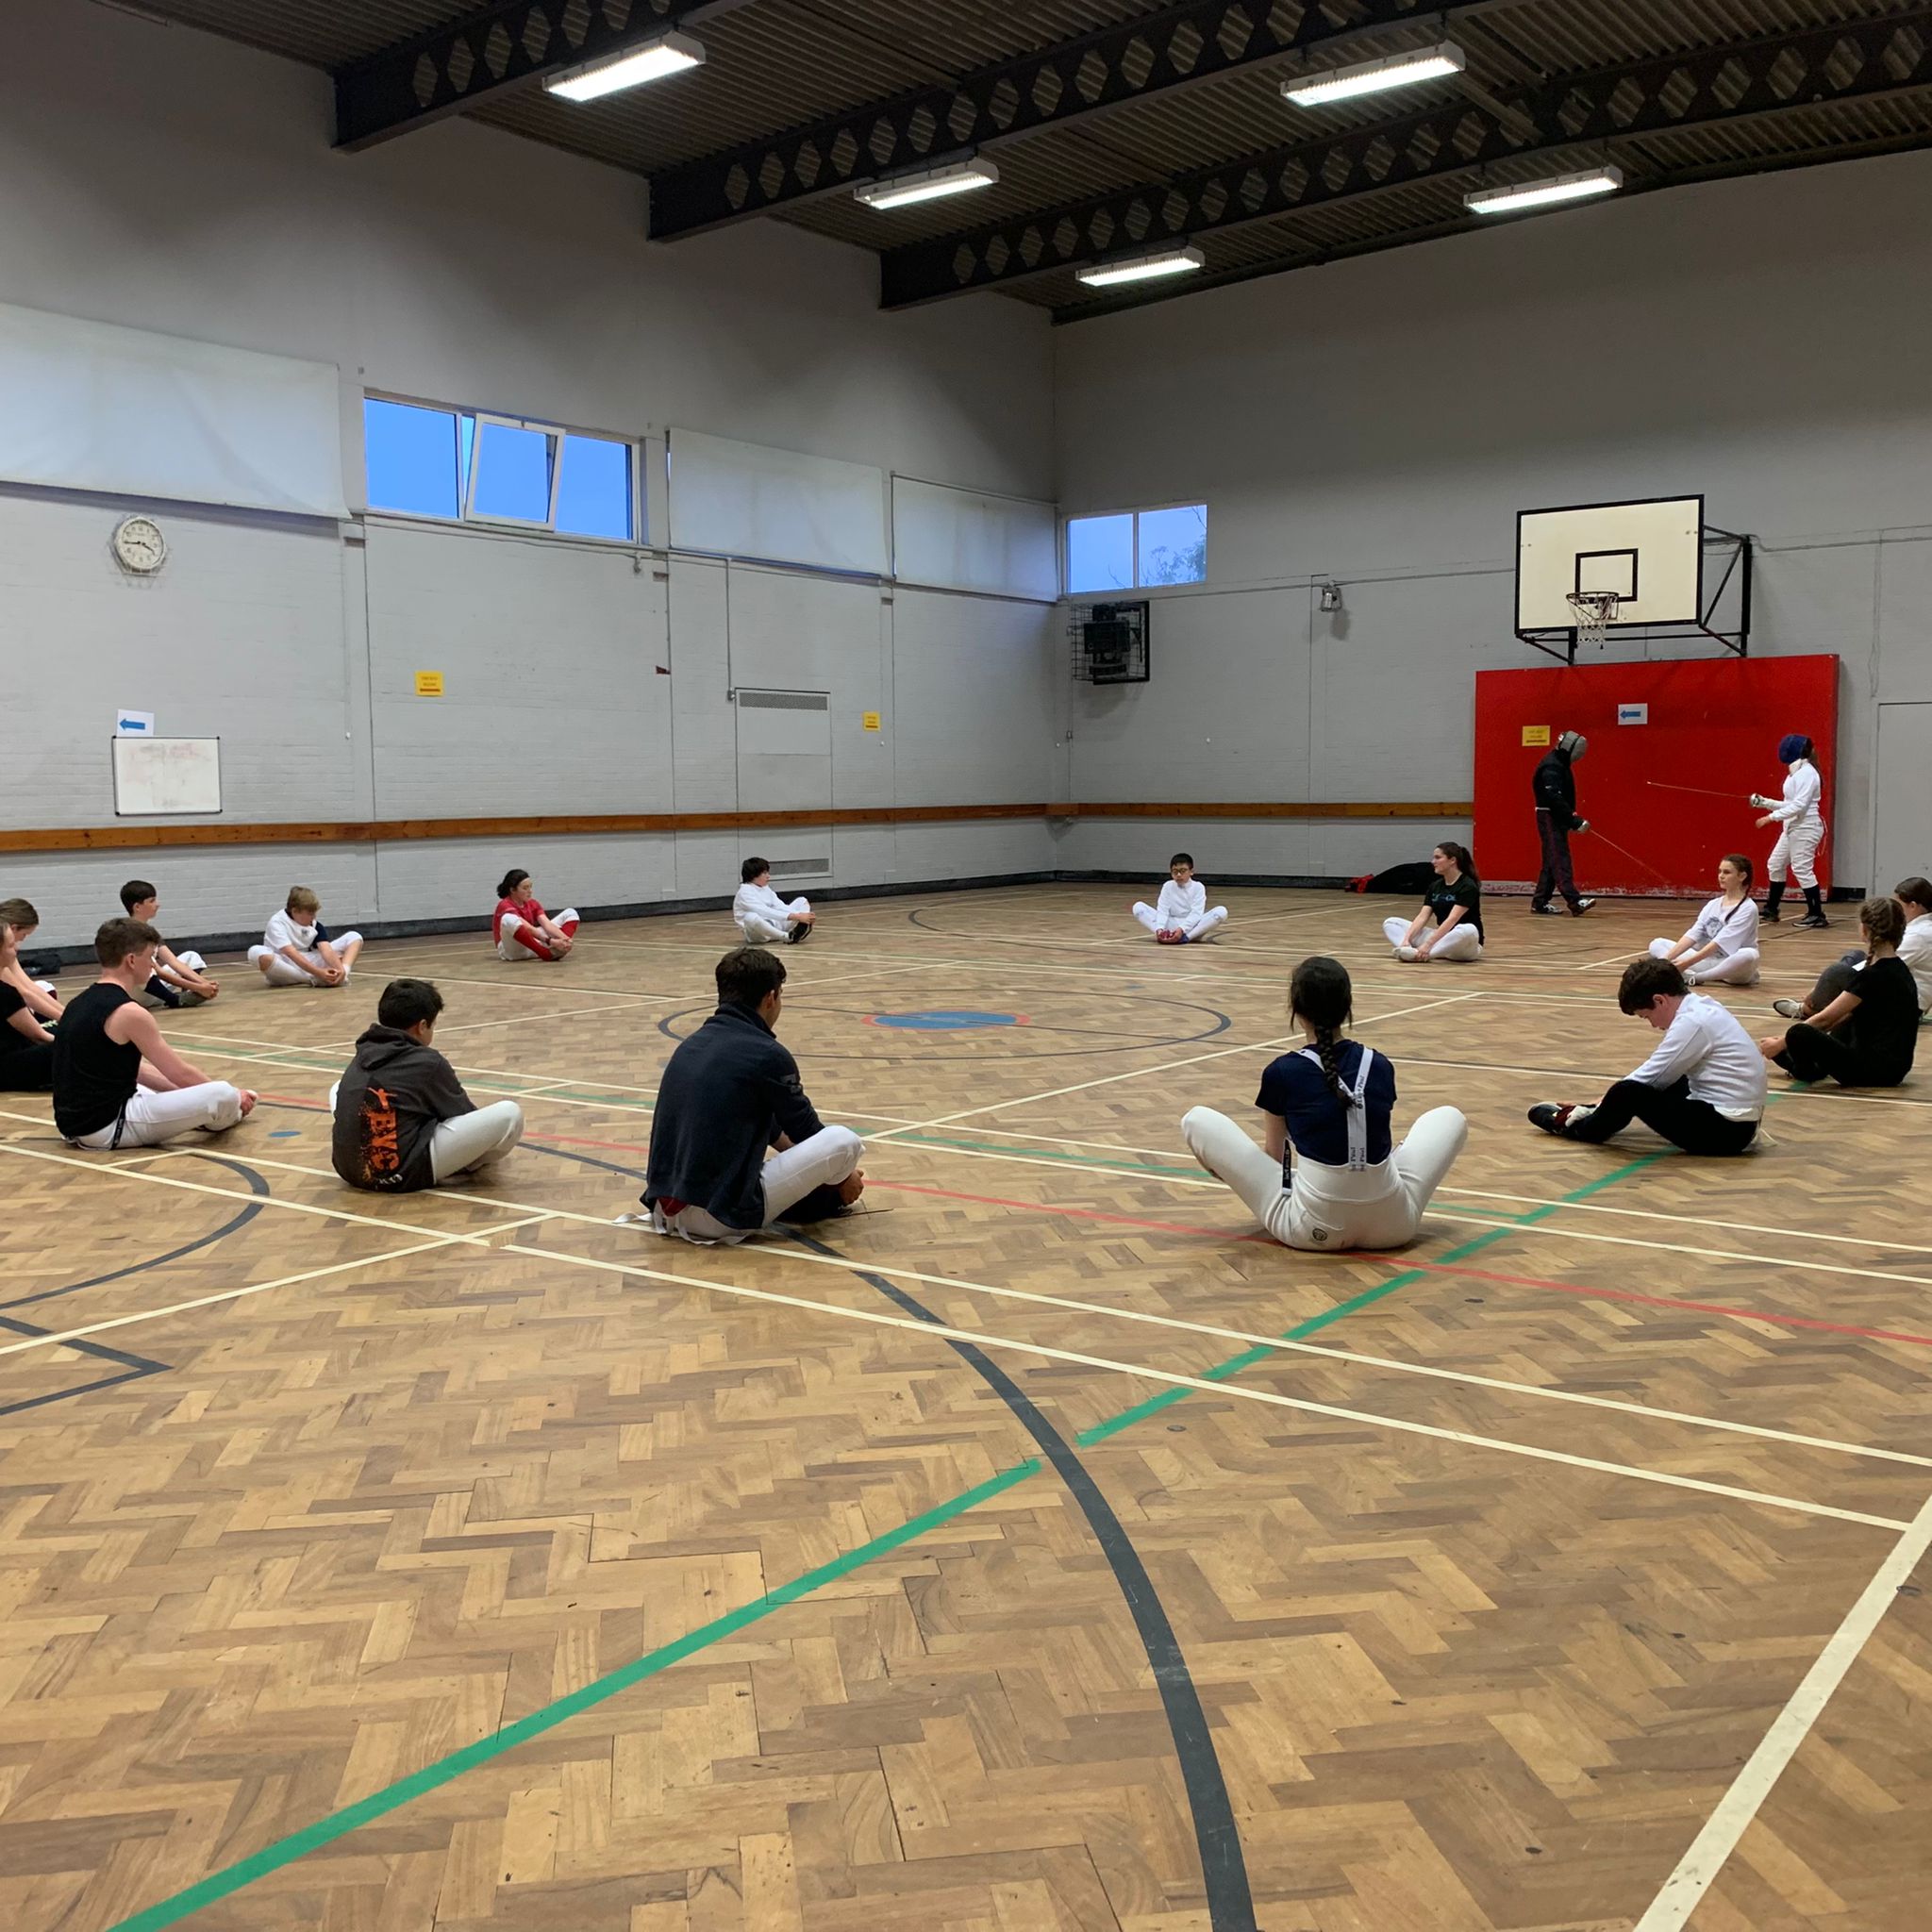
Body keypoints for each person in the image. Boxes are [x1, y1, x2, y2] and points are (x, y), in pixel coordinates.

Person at [1180, 956, 1467, 1251]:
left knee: (1196, 1119)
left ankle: (1322, 1187)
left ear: (1296, 1010)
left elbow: (1275, 1159)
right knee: (1450, 1117)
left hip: (1311, 1229)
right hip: (1393, 1226)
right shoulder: (1380, 1064)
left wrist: (1232, 1169)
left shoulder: (1282, 1071)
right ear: (1348, 1007)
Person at [641, 945, 863, 1242]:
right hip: (718, 1216)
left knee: (807, 1159)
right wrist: (843, 1177)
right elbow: (809, 1131)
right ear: (771, 998)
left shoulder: (691, 1045)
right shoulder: (766, 1053)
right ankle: (825, 1196)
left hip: (664, 1210)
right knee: (844, 1141)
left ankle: (814, 1196)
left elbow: (772, 1128)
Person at [1527, 956, 1765, 1155]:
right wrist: (1600, 1102)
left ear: (1659, 1000)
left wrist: (1597, 1105)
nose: (1652, 1025)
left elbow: (1649, 1077)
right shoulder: (1702, 1007)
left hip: (1726, 1132)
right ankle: (1596, 1114)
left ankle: (1575, 1126)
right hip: (1737, 1125)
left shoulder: (1692, 1023)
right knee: (1669, 1082)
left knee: (1628, 1092)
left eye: (1646, 1016)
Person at [52, 919, 256, 1148]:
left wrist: (183, 1097)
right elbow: (180, 1072)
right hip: (108, 1126)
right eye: (150, 957)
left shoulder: (78, 1002)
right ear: (131, 960)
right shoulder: (129, 1012)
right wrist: (235, 1096)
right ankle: (229, 1114)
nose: (152, 965)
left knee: (174, 1090)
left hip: (77, 1124)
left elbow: (135, 1071)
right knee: (221, 1093)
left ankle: (199, 1113)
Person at [330, 978, 524, 1191]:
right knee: (509, 1114)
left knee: (339, 1088)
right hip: (399, 1173)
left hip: (349, 1170)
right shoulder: (427, 1062)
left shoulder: (364, 1050)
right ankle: (468, 1165)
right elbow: (461, 1114)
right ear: (422, 1026)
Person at [1760, 896, 1918, 1089]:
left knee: (1798, 1031)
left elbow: (1823, 1020)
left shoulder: (1872, 976)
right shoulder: (1900, 969)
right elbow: (1842, 1019)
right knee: (1847, 1020)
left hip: (1872, 1071)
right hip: (1894, 1069)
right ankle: (1811, 1063)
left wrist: (1781, 1043)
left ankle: (1804, 1070)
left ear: (1866, 930)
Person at [1772, 875, 1932, 1024]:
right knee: (1854, 956)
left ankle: (1809, 1009)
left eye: (1899, 904)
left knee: (1837, 972)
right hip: (1899, 993)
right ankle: (1826, 1002)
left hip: (1903, 1007)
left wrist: (1817, 989)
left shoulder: (1920, 935)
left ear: (1912, 906)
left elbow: (1880, 968)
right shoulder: (1922, 929)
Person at [1645, 855, 1760, 987]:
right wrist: (1664, 961)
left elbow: (1719, 943)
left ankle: (1696, 978)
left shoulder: (1748, 908)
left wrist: (1686, 964)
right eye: (1720, 871)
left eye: (1727, 872)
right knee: (1657, 944)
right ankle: (1680, 972)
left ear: (1742, 876)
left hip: (1731, 967)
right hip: (1707, 961)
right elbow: (1693, 934)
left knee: (1748, 955)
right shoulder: (1713, 904)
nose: (1721, 876)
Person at [1752, 732, 1829, 928]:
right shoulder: (1795, 772)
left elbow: (1800, 806)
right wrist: (1765, 803)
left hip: (1806, 827)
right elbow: (1790, 803)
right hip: (1793, 827)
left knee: (1802, 869)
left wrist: (1770, 817)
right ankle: (1771, 910)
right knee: (1775, 864)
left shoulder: (1807, 773)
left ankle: (1816, 914)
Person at [118, 879, 219, 1008]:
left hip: (154, 991)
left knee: (191, 956)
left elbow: (173, 962)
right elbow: (158, 973)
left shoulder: (150, 932)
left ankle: (189, 993)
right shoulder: (131, 934)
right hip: (138, 993)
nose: (157, 904)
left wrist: (205, 983)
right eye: (152, 901)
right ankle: (175, 1000)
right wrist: (198, 986)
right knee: (144, 969)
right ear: (137, 907)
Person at [1530, 731, 1596, 916]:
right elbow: (1554, 797)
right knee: (1559, 858)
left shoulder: (1559, 763)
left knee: (1551, 860)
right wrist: (1573, 820)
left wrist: (1571, 819)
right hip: (1549, 816)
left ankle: (1540, 902)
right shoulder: (1551, 766)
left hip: (1555, 816)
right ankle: (1574, 901)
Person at [1385, 842, 1483, 962]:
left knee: (1468, 929)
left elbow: (1452, 919)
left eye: (1438, 858)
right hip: (1442, 940)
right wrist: (1406, 939)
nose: (1433, 862)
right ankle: (1408, 949)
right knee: (1391, 922)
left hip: (1464, 945)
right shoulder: (1435, 886)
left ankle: (1423, 954)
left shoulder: (1467, 886)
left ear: (1452, 860)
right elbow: (1422, 917)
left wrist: (1428, 944)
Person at [247, 888, 364, 988]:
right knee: (256, 952)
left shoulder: (315, 924)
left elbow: (326, 949)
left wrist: (340, 970)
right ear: (295, 911)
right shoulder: (277, 923)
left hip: (308, 960)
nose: (313, 917)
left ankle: (341, 977)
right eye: (310, 913)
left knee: (354, 937)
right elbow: (291, 953)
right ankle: (310, 979)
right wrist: (318, 973)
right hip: (284, 965)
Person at [0, 915, 55, 1092]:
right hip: (7, 1069)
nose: (16, 949)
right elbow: (39, 1036)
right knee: (72, 1043)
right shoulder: (5, 993)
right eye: (10, 945)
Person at [1132, 852, 1228, 945]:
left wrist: (1182, 929)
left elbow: (1196, 913)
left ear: (1191, 872)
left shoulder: (1198, 887)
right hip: (1170, 925)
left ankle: (1186, 938)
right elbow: (1162, 910)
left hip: (1193, 928)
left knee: (1221, 912)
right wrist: (1160, 928)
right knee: (1138, 907)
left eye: (1183, 871)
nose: (1178, 875)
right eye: (1175, 871)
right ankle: (1163, 936)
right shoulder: (1168, 886)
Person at [492, 869, 579, 962]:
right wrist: (549, 941)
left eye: (530, 887)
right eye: (525, 888)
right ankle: (545, 953)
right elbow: (529, 928)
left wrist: (565, 939)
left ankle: (560, 947)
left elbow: (547, 924)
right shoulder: (504, 905)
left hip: (531, 946)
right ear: (513, 890)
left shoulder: (533, 903)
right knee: (508, 918)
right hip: (512, 950)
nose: (530, 891)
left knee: (571, 913)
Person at [0, 898, 62, 1025]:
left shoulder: (6, 951)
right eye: (24, 934)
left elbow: (29, 986)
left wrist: (67, 1014)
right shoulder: (3, 953)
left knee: (45, 988)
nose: (21, 941)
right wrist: (68, 1020)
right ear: (14, 928)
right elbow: (23, 992)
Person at [734, 858, 813, 946]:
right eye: (764, 873)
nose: (768, 876)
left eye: (768, 872)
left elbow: (779, 906)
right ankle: (786, 937)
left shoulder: (766, 888)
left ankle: (801, 929)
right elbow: (765, 911)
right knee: (750, 917)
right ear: (753, 875)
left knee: (802, 901)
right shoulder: (744, 892)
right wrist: (795, 916)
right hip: (760, 934)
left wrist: (802, 916)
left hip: (776, 926)